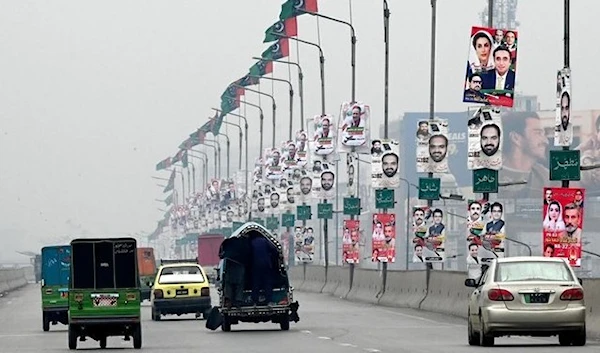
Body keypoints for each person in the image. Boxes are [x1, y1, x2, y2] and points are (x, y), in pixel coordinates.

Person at [219, 237, 251, 308]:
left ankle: (229, 301)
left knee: (229, 284)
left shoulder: (227, 243)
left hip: (230, 267)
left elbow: (221, 255)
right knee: (239, 284)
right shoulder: (243, 245)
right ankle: (238, 301)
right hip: (240, 267)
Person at [250, 233, 278, 306]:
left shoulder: (251, 242)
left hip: (255, 265)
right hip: (266, 265)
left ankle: (254, 302)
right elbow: (274, 249)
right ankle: (269, 301)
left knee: (256, 283)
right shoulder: (265, 241)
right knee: (267, 283)